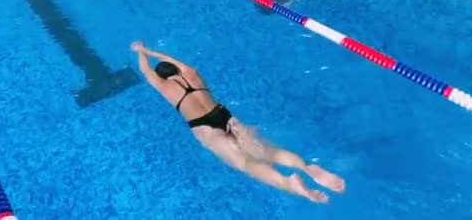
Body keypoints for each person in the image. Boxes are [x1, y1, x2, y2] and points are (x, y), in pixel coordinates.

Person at [130, 41, 345, 203]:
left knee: (244, 163)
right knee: (267, 152)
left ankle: (288, 183)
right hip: (224, 115)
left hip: (204, 127)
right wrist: (150, 50)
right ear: (177, 69)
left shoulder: (165, 87)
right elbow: (172, 61)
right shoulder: (192, 74)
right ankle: (305, 167)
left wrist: (139, 51)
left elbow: (145, 71)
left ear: (164, 76)